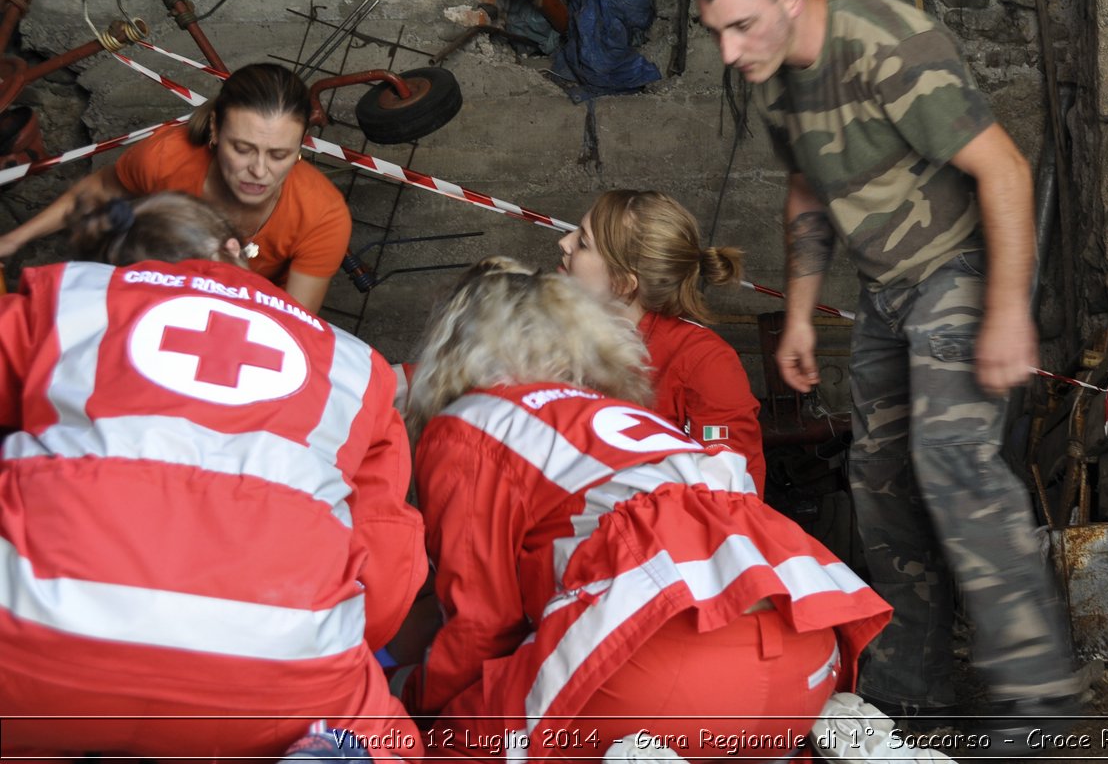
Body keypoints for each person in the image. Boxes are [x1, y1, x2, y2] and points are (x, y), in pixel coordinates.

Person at [693, 0, 1091, 750]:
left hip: (960, 270)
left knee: (954, 465)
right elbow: (807, 186)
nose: (730, 51)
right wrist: (801, 310)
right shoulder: (772, 82)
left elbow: (1006, 169)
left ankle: (1040, 698)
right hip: (884, 295)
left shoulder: (888, 46)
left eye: (742, 27)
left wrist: (1009, 311)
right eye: (716, 34)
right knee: (878, 480)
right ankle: (912, 689)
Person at [402, 258, 891, 761]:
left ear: (455, 346)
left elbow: (481, 623)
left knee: (450, 744)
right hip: (806, 659)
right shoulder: (630, 417)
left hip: (661, 675)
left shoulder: (476, 421)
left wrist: (413, 709)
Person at [0, 192, 426, 760]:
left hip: (35, 642)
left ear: (119, 265)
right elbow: (388, 566)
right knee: (386, 742)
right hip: (274, 673)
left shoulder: (73, 302)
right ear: (236, 250)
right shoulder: (355, 368)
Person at [0, 62, 352, 313]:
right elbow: (98, 191)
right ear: (214, 130)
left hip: (244, 318)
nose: (259, 171)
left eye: (279, 154)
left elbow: (294, 325)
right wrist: (13, 241)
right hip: (146, 296)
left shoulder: (322, 215)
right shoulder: (166, 156)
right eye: (241, 149)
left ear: (301, 146)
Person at [558, 188, 767, 494]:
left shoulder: (705, 362)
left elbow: (731, 500)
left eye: (583, 242)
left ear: (623, 282)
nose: (563, 242)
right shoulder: (556, 339)